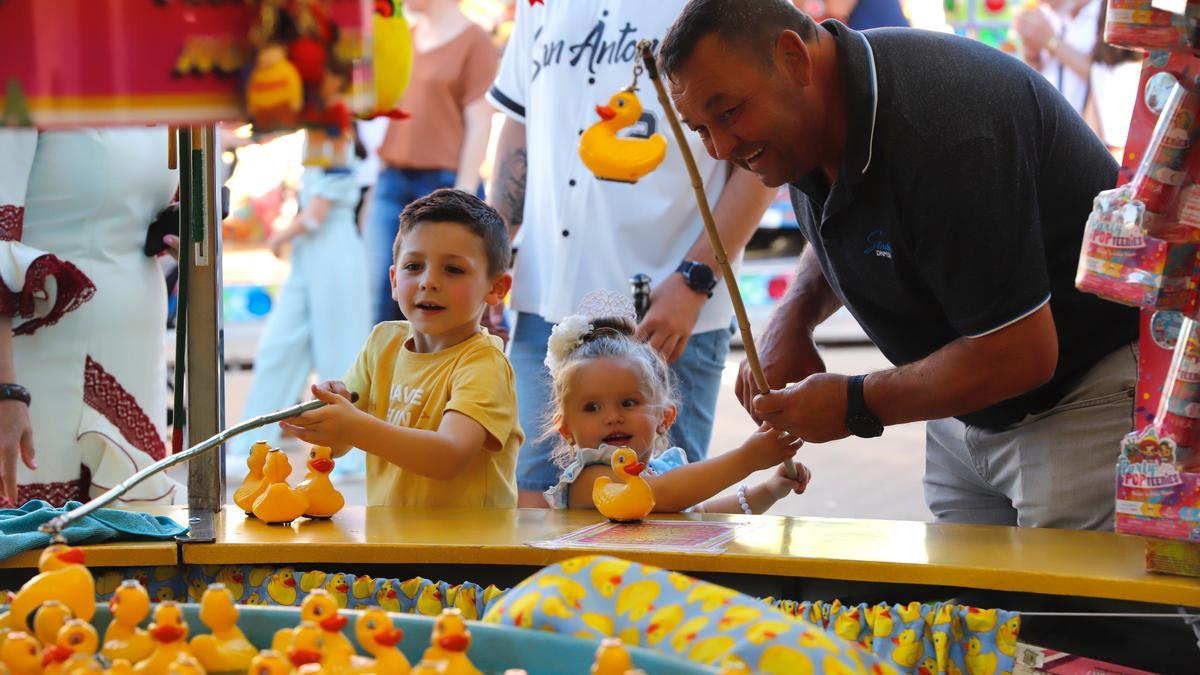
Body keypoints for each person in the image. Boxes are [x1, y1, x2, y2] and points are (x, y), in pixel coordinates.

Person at [659, 0, 1139, 530]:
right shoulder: (810, 114)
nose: (722, 147)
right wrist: (794, 317)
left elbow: (1022, 353)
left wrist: (854, 403)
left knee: (1073, 613)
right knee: (971, 613)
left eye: (728, 113)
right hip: (966, 407)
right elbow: (850, 217)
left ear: (794, 57)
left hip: (1079, 402)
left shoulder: (944, 128)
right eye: (699, 129)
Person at [486, 0, 777, 507]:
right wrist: (490, 258)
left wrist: (695, 279)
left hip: (667, 314)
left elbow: (759, 152)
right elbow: (519, 121)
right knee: (531, 510)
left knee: (659, 514)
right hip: (544, 307)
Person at [282, 189, 522, 508]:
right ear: (394, 280)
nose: (428, 281)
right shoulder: (384, 343)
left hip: (470, 553)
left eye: (453, 269)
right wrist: (328, 414)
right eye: (413, 266)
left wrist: (353, 423)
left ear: (496, 288)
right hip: (390, 545)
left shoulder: (483, 363)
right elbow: (341, 444)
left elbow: (448, 456)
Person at [0, 127, 182, 507]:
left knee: (132, 539)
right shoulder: (21, 84)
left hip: (135, 344)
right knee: (37, 545)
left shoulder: (160, 95)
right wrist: (5, 392)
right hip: (36, 366)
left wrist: (185, 234)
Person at [541, 313, 810, 513]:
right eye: (592, 407)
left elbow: (699, 517)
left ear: (665, 418)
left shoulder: (663, 472)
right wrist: (747, 458)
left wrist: (769, 490)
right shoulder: (591, 479)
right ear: (566, 430)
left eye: (628, 403)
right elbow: (656, 495)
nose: (612, 417)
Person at [364, 0, 499, 325]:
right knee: (381, 296)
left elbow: (480, 120)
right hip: (392, 181)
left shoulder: (476, 42)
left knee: (443, 302)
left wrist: (464, 193)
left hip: (444, 183)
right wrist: (375, 190)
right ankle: (382, 375)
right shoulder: (405, 36)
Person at [1014, 0, 1100, 115]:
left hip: (1088, 126)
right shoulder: (1047, 12)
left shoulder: (1105, 13)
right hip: (1048, 122)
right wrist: (1031, 55)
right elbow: (1037, 72)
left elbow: (1105, 75)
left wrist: (1050, 41)